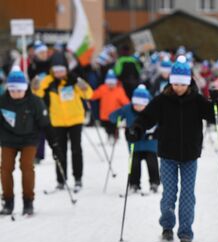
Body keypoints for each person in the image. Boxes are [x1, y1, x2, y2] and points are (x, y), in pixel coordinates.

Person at [127, 56, 218, 242]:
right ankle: (167, 227)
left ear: (188, 82)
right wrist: (136, 129)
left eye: (182, 84)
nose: (178, 88)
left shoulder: (197, 101)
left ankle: (185, 232)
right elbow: (146, 117)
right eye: (175, 83)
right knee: (169, 194)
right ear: (170, 82)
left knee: (187, 195)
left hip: (190, 156)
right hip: (167, 154)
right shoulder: (162, 100)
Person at [33, 51, 93, 191]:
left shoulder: (73, 79)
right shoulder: (48, 81)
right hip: (57, 121)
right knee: (60, 151)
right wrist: (35, 86)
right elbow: (37, 94)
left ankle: (78, 178)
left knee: (76, 149)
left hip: (75, 119)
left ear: (66, 69)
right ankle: (61, 180)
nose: (59, 73)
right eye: (56, 70)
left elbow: (88, 94)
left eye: (61, 70)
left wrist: (83, 85)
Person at [0, 67, 55, 215]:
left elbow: (45, 123)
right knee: (5, 168)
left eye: (19, 90)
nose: (15, 93)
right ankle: (8, 201)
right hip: (8, 139)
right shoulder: (2, 101)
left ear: (25, 88)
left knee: (26, 167)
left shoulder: (35, 102)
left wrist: (54, 144)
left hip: (29, 139)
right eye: (12, 90)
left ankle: (28, 201)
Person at [109, 84, 159, 193]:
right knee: (134, 163)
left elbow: (161, 121)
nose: (139, 107)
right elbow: (113, 116)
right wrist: (117, 118)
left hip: (150, 142)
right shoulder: (127, 109)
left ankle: (154, 183)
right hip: (134, 142)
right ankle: (134, 184)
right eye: (136, 104)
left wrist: (157, 132)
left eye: (142, 105)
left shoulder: (153, 108)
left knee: (152, 162)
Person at [90, 69, 130, 140]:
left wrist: (129, 106)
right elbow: (94, 95)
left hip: (115, 114)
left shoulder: (119, 90)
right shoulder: (103, 88)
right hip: (104, 114)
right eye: (109, 83)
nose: (111, 85)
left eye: (112, 83)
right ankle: (109, 135)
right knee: (106, 127)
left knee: (114, 127)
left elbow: (125, 101)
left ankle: (115, 136)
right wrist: (88, 95)